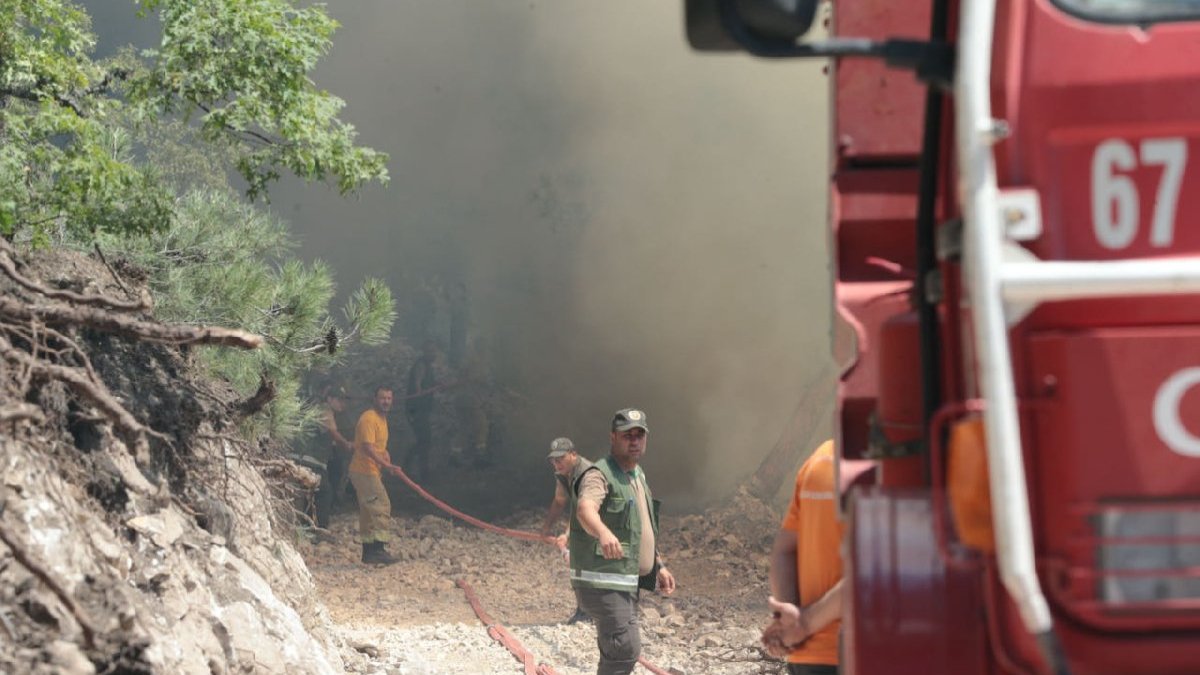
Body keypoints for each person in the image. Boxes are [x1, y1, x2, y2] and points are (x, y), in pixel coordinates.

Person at [570, 408, 676, 675]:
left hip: (624, 580)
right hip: (603, 580)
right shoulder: (599, 474)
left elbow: (641, 527)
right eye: (627, 435)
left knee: (621, 650)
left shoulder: (637, 475)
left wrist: (659, 564)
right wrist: (603, 533)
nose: (634, 441)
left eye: (639, 435)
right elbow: (585, 509)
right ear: (613, 437)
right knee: (624, 648)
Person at [760, 440, 844, 675]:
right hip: (868, 653)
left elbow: (784, 551)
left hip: (808, 655)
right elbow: (866, 577)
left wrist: (791, 621)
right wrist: (803, 624)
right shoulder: (903, 466)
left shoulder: (818, 460)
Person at [540, 437, 593, 624]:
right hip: (586, 518)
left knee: (593, 565)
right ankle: (583, 611)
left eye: (560, 458)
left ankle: (594, 613)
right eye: (553, 460)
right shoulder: (563, 473)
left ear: (573, 455)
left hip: (601, 519)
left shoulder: (587, 473)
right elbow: (560, 501)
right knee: (578, 565)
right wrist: (546, 528)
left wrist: (567, 534)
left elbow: (584, 509)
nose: (556, 463)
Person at [349, 386, 399, 565]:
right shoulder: (369, 419)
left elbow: (379, 447)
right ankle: (378, 549)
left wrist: (387, 461)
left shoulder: (382, 419)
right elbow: (368, 448)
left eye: (389, 398)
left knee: (368, 511)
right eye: (382, 398)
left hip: (369, 471)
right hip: (364, 470)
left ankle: (369, 553)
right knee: (381, 505)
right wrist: (385, 464)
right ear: (374, 399)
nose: (386, 401)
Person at [313, 384, 354, 530]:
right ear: (329, 399)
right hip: (312, 458)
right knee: (324, 492)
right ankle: (320, 528)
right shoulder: (325, 410)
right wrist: (348, 445)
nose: (343, 403)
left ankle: (313, 524)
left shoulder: (325, 410)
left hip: (315, 458)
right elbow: (333, 434)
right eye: (339, 399)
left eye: (344, 400)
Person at [405, 341, 440, 481]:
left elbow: (428, 383)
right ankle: (422, 473)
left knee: (423, 440)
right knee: (424, 440)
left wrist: (438, 385)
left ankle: (410, 467)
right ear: (425, 352)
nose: (434, 355)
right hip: (416, 410)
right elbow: (417, 384)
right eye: (431, 352)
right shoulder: (421, 365)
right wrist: (420, 391)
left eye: (434, 352)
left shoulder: (428, 366)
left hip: (422, 410)